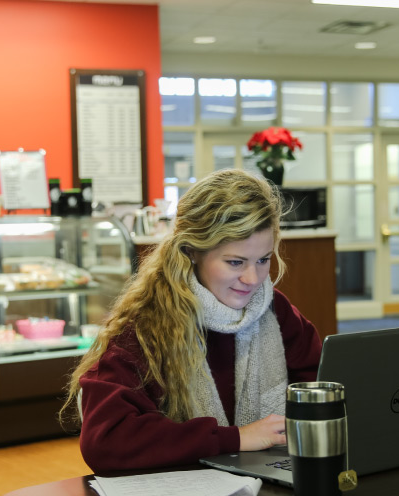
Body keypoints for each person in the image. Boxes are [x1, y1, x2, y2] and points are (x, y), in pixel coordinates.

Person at [61, 168, 323, 473]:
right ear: (191, 252)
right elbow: (105, 441)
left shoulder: (274, 311)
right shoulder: (145, 327)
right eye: (235, 262)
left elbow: (319, 384)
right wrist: (234, 438)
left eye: (263, 260)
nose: (253, 279)